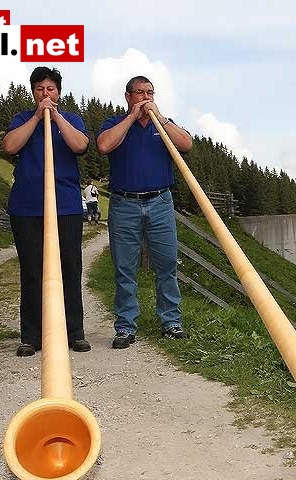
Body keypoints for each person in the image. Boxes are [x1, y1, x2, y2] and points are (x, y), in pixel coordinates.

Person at [97, 75, 193, 349]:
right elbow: (103, 145)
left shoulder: (162, 125)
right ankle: (125, 327)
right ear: (128, 97)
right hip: (124, 204)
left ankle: (171, 322)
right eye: (140, 93)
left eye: (150, 92)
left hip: (160, 202)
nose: (146, 97)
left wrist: (160, 118)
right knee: (124, 268)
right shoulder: (115, 123)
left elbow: (186, 144)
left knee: (167, 264)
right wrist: (131, 118)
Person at [2, 66, 91, 357]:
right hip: (27, 206)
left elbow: (80, 145)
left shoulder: (72, 119)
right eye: (40, 89)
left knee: (70, 268)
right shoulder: (22, 119)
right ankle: (32, 335)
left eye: (50, 89)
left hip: (65, 205)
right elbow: (10, 146)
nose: (45, 94)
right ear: (33, 93)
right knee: (32, 270)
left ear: (59, 93)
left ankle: (73, 332)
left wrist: (56, 117)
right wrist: (37, 117)